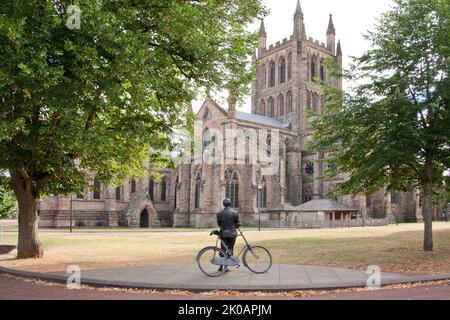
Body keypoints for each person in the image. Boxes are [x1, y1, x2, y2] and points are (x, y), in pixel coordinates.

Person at [217, 198, 240, 272]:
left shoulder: (219, 214)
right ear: (230, 204)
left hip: (223, 234)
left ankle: (221, 267)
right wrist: (237, 225)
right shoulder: (235, 213)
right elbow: (237, 223)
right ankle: (226, 267)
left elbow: (219, 224)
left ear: (223, 204)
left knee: (223, 250)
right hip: (232, 234)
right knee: (230, 249)